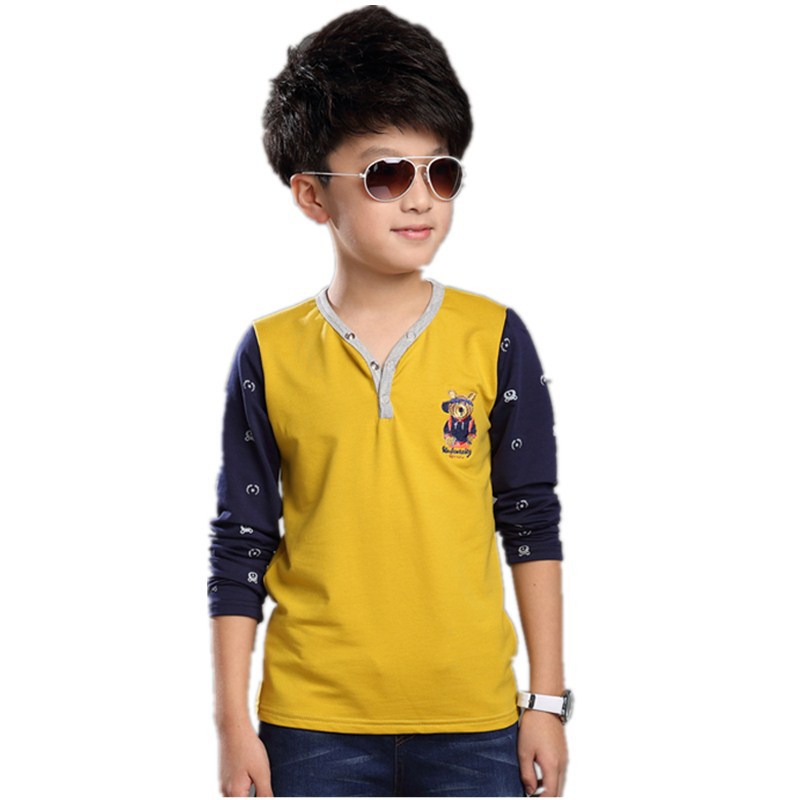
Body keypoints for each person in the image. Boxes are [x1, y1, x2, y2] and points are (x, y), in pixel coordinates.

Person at [207, 6, 571, 797]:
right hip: (311, 728)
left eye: (440, 172)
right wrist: (234, 724)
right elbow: (241, 543)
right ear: (312, 195)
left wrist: (545, 702)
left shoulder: (496, 337)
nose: (420, 199)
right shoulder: (268, 352)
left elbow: (530, 520)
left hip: (477, 724)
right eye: (386, 175)